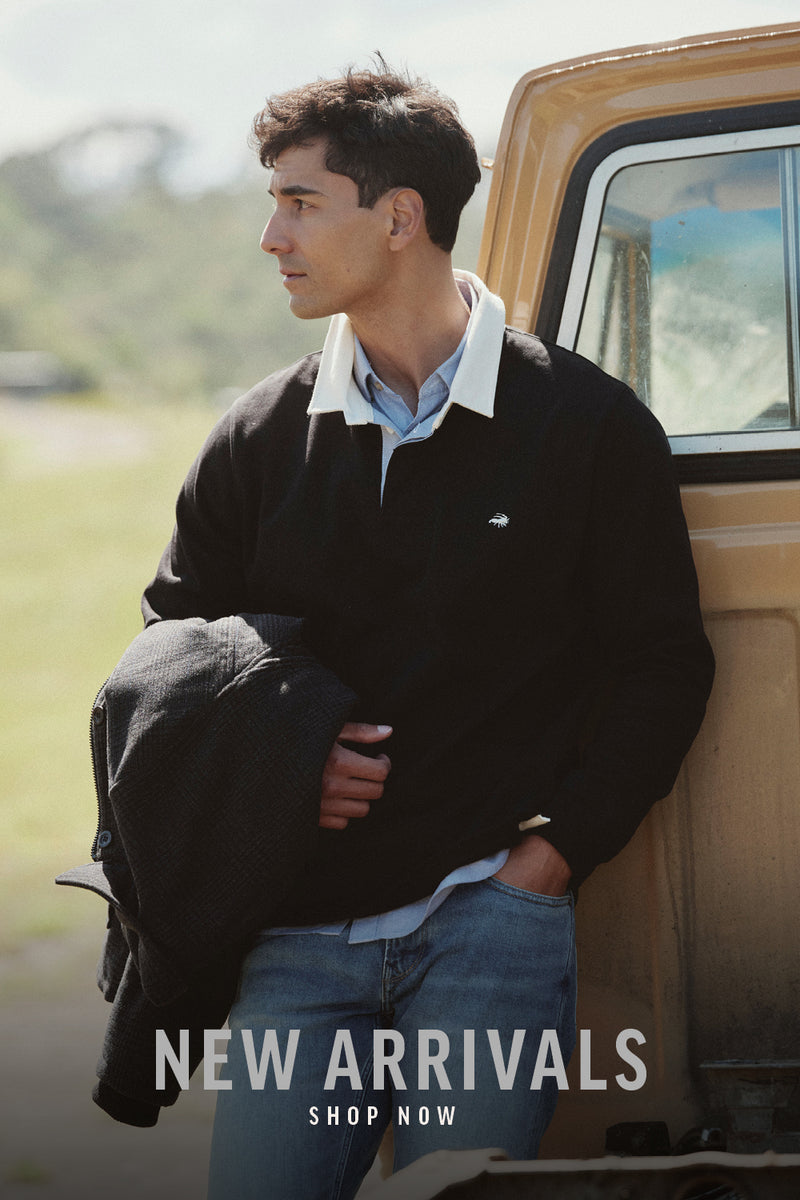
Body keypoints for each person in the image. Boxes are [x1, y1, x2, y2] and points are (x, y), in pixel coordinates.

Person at [140, 62, 715, 1200]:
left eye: (300, 202)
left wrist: (544, 867)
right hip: (295, 939)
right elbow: (172, 654)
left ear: (399, 217)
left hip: (490, 925)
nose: (271, 236)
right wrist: (280, 765)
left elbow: (663, 666)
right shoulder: (255, 438)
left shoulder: (589, 426)